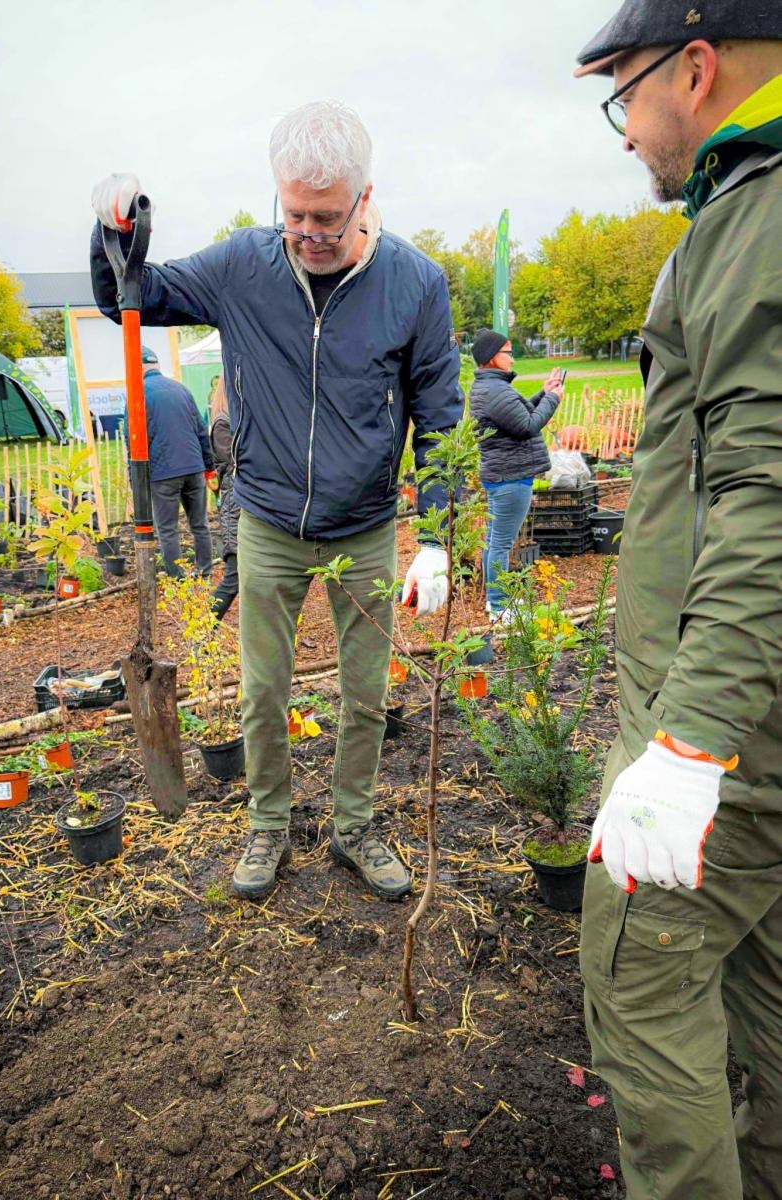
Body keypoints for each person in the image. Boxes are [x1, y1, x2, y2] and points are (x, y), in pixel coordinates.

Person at [91, 100, 463, 902]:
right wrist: (112, 232)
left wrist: (437, 534)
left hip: (364, 527)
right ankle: (268, 824)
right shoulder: (243, 267)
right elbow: (133, 296)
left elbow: (440, 415)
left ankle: (354, 826)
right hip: (267, 520)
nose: (309, 233)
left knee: (367, 693)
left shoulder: (415, 284)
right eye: (294, 214)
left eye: (327, 217)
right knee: (262, 692)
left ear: (364, 198)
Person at [574, 5, 782, 1198]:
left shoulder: (758, 222)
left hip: (735, 725)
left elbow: (767, 492)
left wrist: (691, 741)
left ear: (695, 70)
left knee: (640, 975)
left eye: (624, 93)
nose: (622, 130)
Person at [468, 329, 563, 617]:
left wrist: (544, 393)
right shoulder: (495, 391)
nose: (512, 358)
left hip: (502, 475)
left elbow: (518, 415)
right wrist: (553, 399)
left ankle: (494, 601)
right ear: (491, 357)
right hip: (510, 477)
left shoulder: (491, 388)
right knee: (500, 543)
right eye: (507, 353)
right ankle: (499, 607)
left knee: (494, 540)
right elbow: (528, 426)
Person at [140, 346, 215, 578]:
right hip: (193, 467)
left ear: (139, 367)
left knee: (168, 529)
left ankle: (177, 579)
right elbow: (201, 430)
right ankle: (205, 573)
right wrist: (209, 466)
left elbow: (134, 439)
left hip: (164, 474)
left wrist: (137, 478)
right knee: (200, 524)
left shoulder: (139, 393)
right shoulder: (182, 389)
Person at [207, 375, 240, 620]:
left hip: (239, 504)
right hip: (235, 507)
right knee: (233, 576)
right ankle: (202, 630)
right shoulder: (223, 423)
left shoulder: (232, 420)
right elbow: (234, 462)